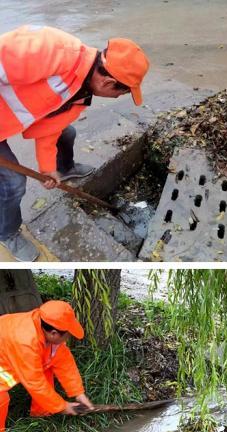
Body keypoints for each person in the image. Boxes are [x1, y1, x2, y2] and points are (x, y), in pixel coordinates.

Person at [0, 25, 150, 261]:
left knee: (66, 133)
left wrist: (47, 169)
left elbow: (50, 131)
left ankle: (65, 169)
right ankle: (7, 233)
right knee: (13, 182)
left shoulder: (81, 95)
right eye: (121, 93)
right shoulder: (52, 50)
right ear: (109, 82)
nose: (119, 98)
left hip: (13, 120)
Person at [0, 300, 94, 432]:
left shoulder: (43, 325)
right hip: (7, 354)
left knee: (47, 362)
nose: (67, 339)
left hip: (10, 350)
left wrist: (78, 393)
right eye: (67, 335)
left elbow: (64, 361)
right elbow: (35, 383)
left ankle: (41, 414)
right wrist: (62, 407)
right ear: (54, 333)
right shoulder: (26, 342)